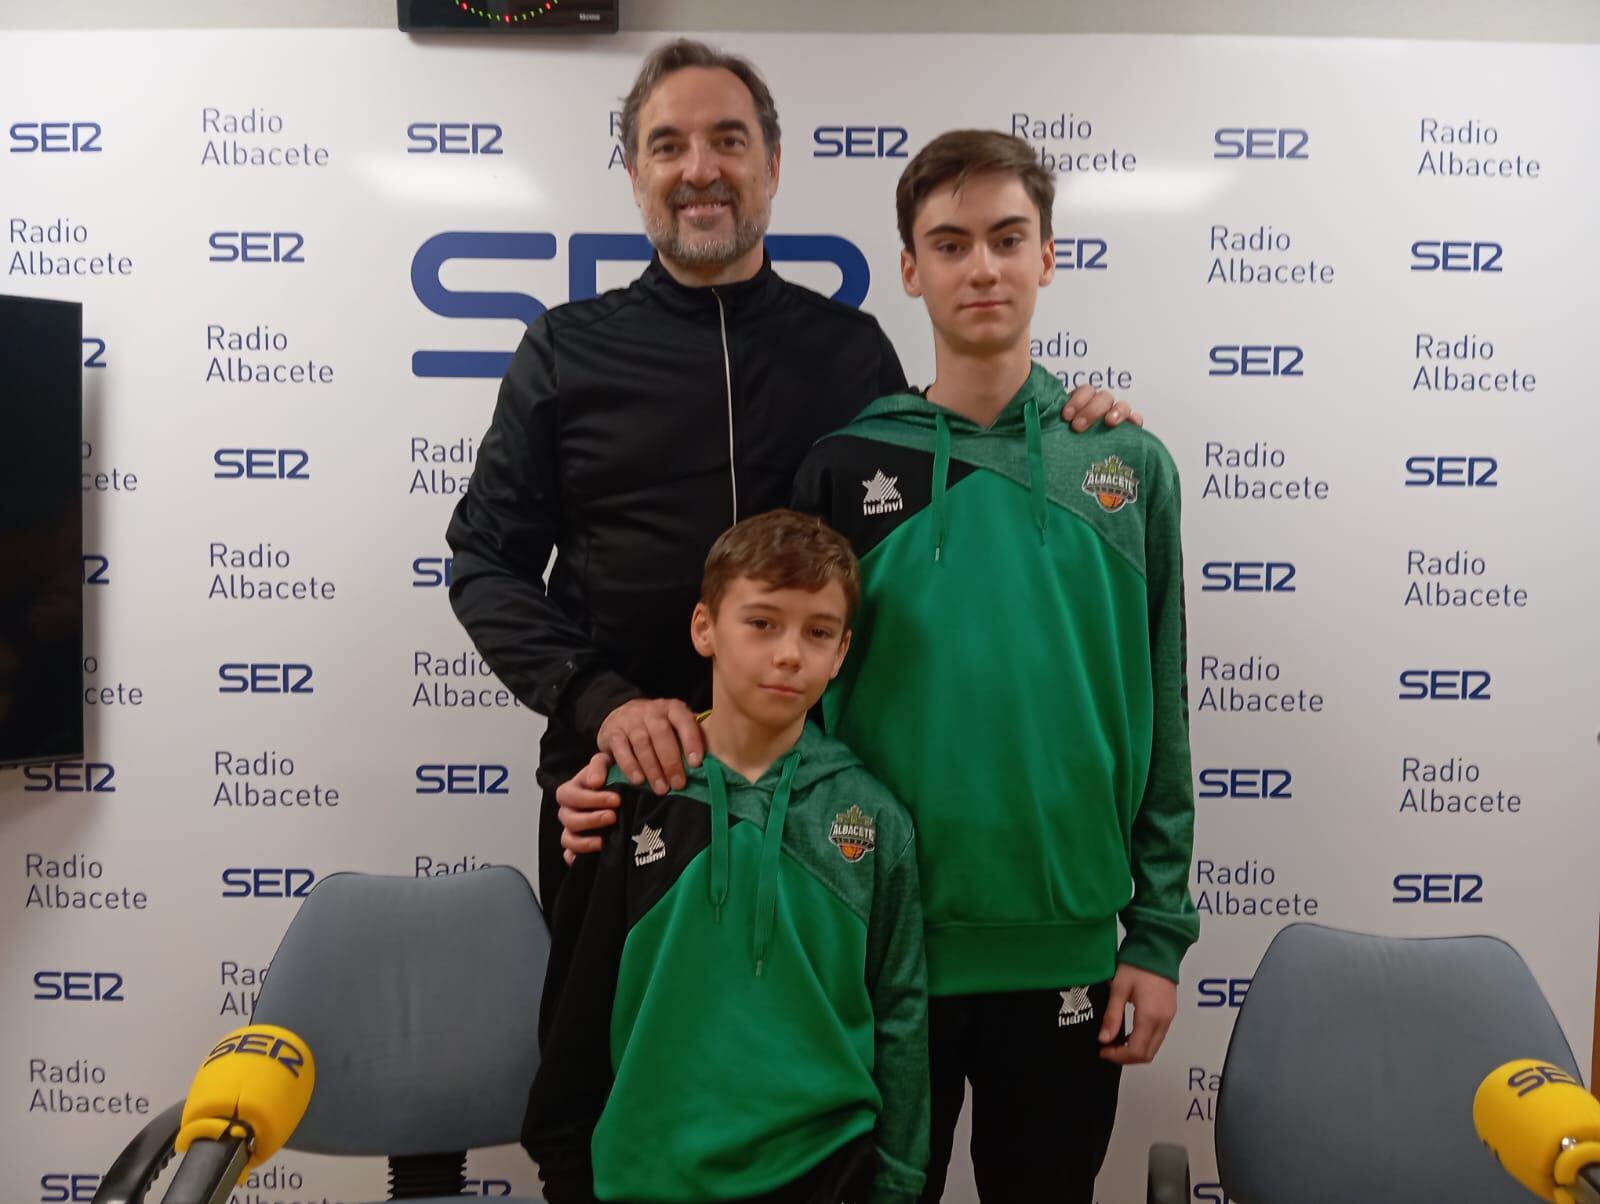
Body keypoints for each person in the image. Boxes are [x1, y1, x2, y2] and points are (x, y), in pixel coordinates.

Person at [564, 129, 1198, 1202]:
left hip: (1068, 949)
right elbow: (773, 684)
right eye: (949, 244)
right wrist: (634, 769)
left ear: (1048, 257)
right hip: (864, 942)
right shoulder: (848, 462)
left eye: (1007, 238)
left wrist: (1159, 930)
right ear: (910, 269)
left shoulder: (1126, 466)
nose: (981, 267)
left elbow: (1161, 706)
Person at [444, 38, 1137, 912]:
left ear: (773, 166)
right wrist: (602, 705)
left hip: (821, 811)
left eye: (729, 141)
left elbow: (951, 515)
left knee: (817, 1051)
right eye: (668, 146)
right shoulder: (564, 352)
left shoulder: (851, 352)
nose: (700, 169)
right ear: (633, 173)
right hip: (620, 791)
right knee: (610, 1052)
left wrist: (1071, 427)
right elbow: (484, 566)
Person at [523, 509, 928, 1204]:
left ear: (842, 651)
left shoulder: (872, 819)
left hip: (827, 1175)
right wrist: (566, 1170)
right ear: (704, 628)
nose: (790, 654)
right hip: (647, 1174)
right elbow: (577, 1001)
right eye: (763, 623)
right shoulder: (626, 798)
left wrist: (896, 1184)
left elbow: (901, 1015)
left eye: (818, 632)